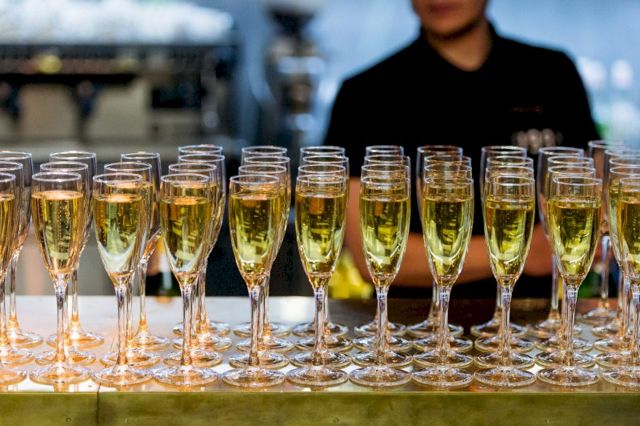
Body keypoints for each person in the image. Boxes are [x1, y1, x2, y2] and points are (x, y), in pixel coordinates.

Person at [324, 0, 600, 298]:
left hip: (540, 319)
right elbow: (371, 256)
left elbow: (598, 196)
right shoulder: (365, 94)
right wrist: (519, 251)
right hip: (411, 321)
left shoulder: (553, 73)